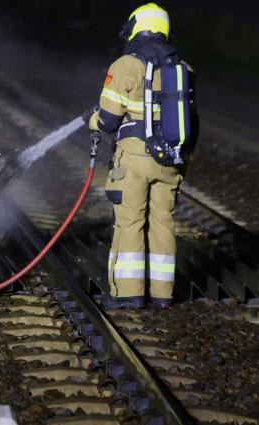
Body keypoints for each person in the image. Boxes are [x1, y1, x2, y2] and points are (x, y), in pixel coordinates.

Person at [84, 3, 196, 310]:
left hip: (135, 158)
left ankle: (127, 293)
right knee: (162, 222)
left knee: (130, 222)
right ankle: (162, 294)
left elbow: (107, 121)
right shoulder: (183, 69)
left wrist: (90, 119)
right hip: (172, 160)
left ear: (137, 27)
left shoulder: (126, 65)